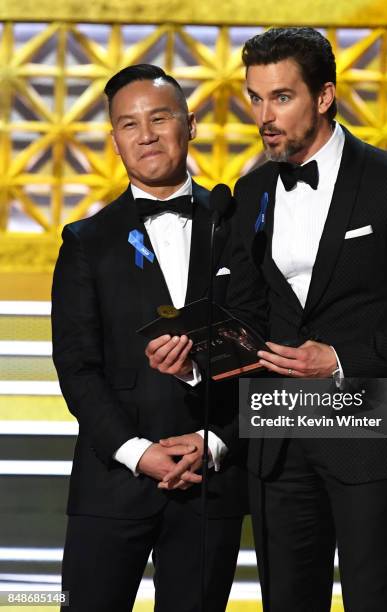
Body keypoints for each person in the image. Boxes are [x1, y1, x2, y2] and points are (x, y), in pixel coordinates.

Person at [227, 28, 387, 612]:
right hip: (276, 428)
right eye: (255, 98)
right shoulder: (252, 187)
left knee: (374, 595)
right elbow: (247, 308)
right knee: (286, 599)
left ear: (325, 96)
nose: (264, 115)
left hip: (368, 422)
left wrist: (340, 358)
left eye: (281, 97)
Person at [51, 64, 246, 612]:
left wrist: (216, 442)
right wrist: (138, 454)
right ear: (115, 139)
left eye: (159, 118)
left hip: (212, 481)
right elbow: (76, 365)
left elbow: (263, 352)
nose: (146, 135)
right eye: (128, 124)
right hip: (111, 482)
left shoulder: (238, 225)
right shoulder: (87, 242)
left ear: (190, 125)